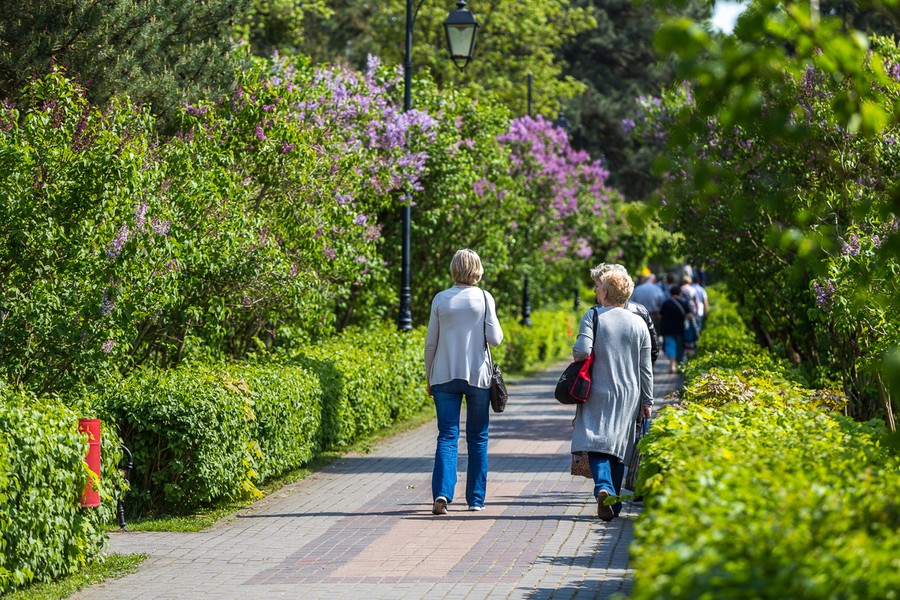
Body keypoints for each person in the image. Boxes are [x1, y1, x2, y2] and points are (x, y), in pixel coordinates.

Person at [424, 248, 504, 515]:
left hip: (443, 375)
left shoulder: (440, 299)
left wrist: (429, 376)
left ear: (453, 269)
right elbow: (495, 339)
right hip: (477, 376)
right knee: (478, 438)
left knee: (447, 435)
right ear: (478, 270)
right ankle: (476, 500)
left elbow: (431, 343)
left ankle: (442, 494)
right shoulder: (484, 297)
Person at [571, 267, 653, 521]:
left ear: (605, 292)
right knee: (619, 446)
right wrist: (647, 400)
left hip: (598, 388)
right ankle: (614, 504)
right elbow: (645, 367)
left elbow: (582, 351)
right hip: (630, 393)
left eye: (599, 288)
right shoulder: (639, 323)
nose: (596, 292)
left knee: (596, 440)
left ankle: (603, 487)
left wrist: (575, 350)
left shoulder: (594, 316)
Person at [591, 264, 659, 363]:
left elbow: (584, 350)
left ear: (607, 287)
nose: (594, 290)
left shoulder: (594, 314)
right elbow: (653, 350)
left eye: (597, 286)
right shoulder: (640, 311)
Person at [659, 285, 694, 373]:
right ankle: (679, 365)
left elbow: (660, 315)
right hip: (680, 329)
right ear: (680, 293)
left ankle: (672, 365)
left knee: (670, 347)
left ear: (670, 293)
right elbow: (690, 316)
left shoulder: (666, 303)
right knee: (679, 348)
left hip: (667, 329)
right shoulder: (683, 303)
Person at [631, 272, 665, 336]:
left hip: (639, 316)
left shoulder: (637, 289)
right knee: (654, 335)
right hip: (653, 315)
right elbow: (662, 302)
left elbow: (631, 302)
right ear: (653, 280)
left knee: (641, 335)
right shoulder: (657, 289)